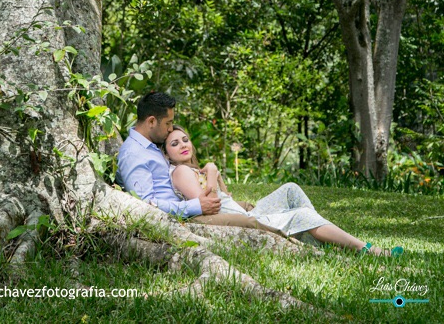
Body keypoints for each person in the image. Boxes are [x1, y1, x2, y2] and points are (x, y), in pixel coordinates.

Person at [164, 126, 403, 256]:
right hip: (246, 221)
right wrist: (213, 171)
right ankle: (368, 250)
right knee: (300, 215)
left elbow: (226, 198)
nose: (183, 145)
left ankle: (321, 236)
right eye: (174, 144)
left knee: (290, 189)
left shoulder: (193, 170)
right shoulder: (180, 171)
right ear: (166, 154)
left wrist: (212, 176)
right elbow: (206, 204)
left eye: (185, 139)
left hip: (245, 213)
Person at [116, 92, 221, 218]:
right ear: (151, 122)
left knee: (247, 208)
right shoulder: (133, 154)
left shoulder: (151, 145)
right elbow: (145, 205)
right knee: (249, 223)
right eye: (168, 123)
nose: (171, 129)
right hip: (183, 217)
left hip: (193, 206)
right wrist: (196, 206)